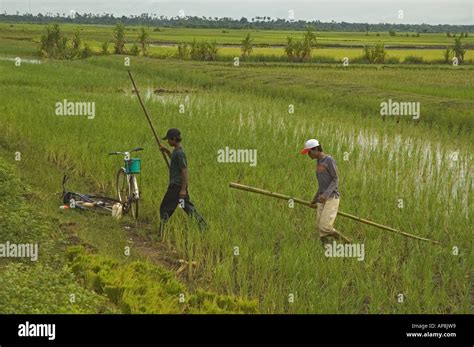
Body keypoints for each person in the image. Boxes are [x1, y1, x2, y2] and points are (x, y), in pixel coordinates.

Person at [158, 128, 207, 235]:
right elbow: (175, 162)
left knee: (164, 208)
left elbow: (184, 170)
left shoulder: (180, 153)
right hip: (179, 186)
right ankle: (203, 226)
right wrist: (167, 152)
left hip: (176, 186)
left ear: (174, 139)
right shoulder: (176, 151)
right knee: (186, 206)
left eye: (169, 140)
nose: (168, 142)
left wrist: (183, 190)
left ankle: (161, 233)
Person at [300, 139, 349, 244]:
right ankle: (327, 249)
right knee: (320, 229)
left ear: (316, 149)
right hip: (321, 199)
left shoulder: (329, 160)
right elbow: (321, 186)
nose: (308, 155)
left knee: (325, 227)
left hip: (331, 198)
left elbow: (336, 179)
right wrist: (314, 200)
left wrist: (326, 195)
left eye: (309, 152)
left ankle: (347, 242)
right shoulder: (319, 162)